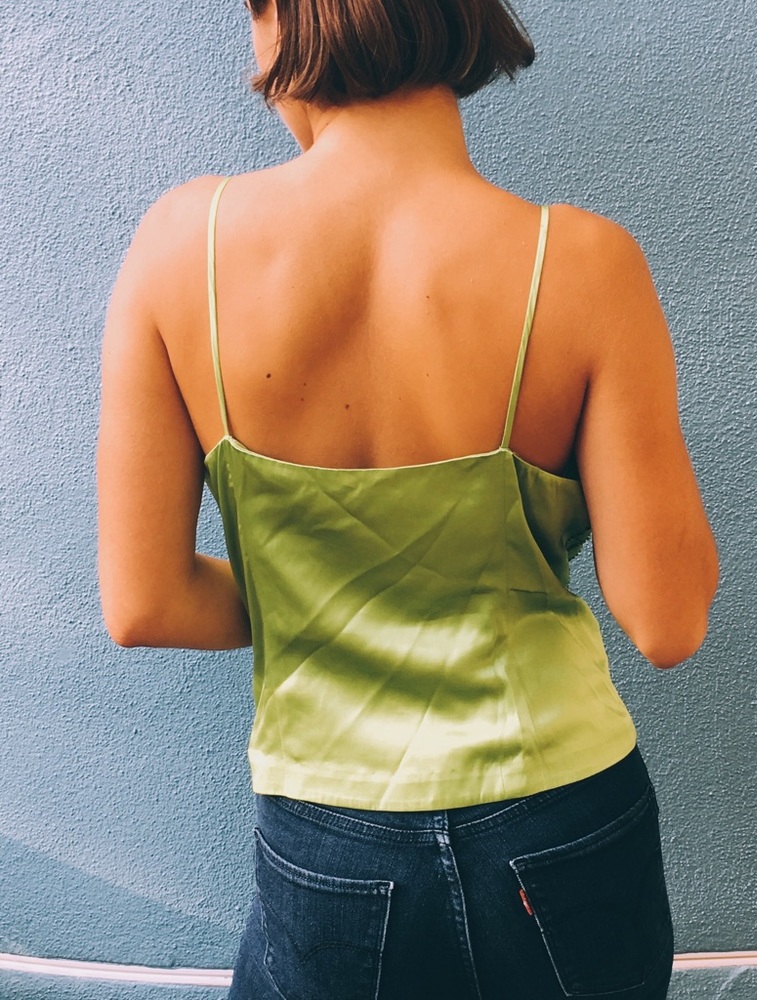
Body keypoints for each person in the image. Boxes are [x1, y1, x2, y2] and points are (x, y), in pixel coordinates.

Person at [97, 0, 719, 996]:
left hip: (329, 834)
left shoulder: (180, 246)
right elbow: (668, 619)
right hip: (559, 819)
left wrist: (340, 592)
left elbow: (145, 603)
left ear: (294, 19)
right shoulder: (587, 263)